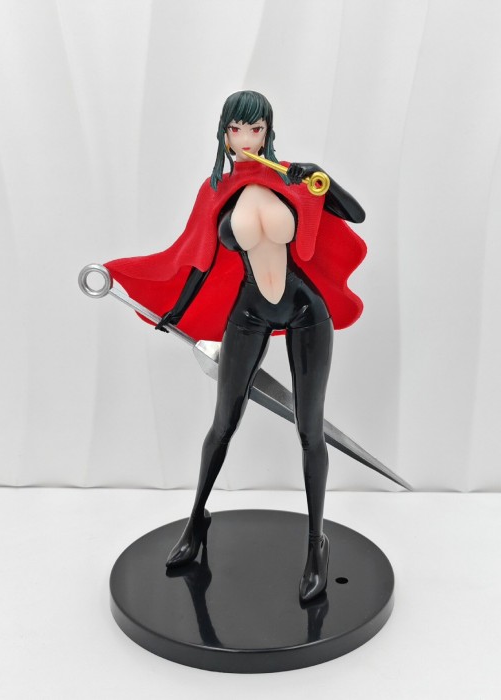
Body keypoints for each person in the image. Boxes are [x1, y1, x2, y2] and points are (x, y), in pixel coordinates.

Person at [105, 90, 366, 602]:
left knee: (309, 429)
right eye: (236, 130)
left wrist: (321, 178)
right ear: (223, 134)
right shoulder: (216, 191)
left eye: (256, 129)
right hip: (249, 312)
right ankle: (195, 522)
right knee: (223, 423)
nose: (246, 139)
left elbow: (353, 215)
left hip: (305, 310)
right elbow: (196, 258)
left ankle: (316, 544)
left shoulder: (292, 179)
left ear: (269, 133)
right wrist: (174, 311)